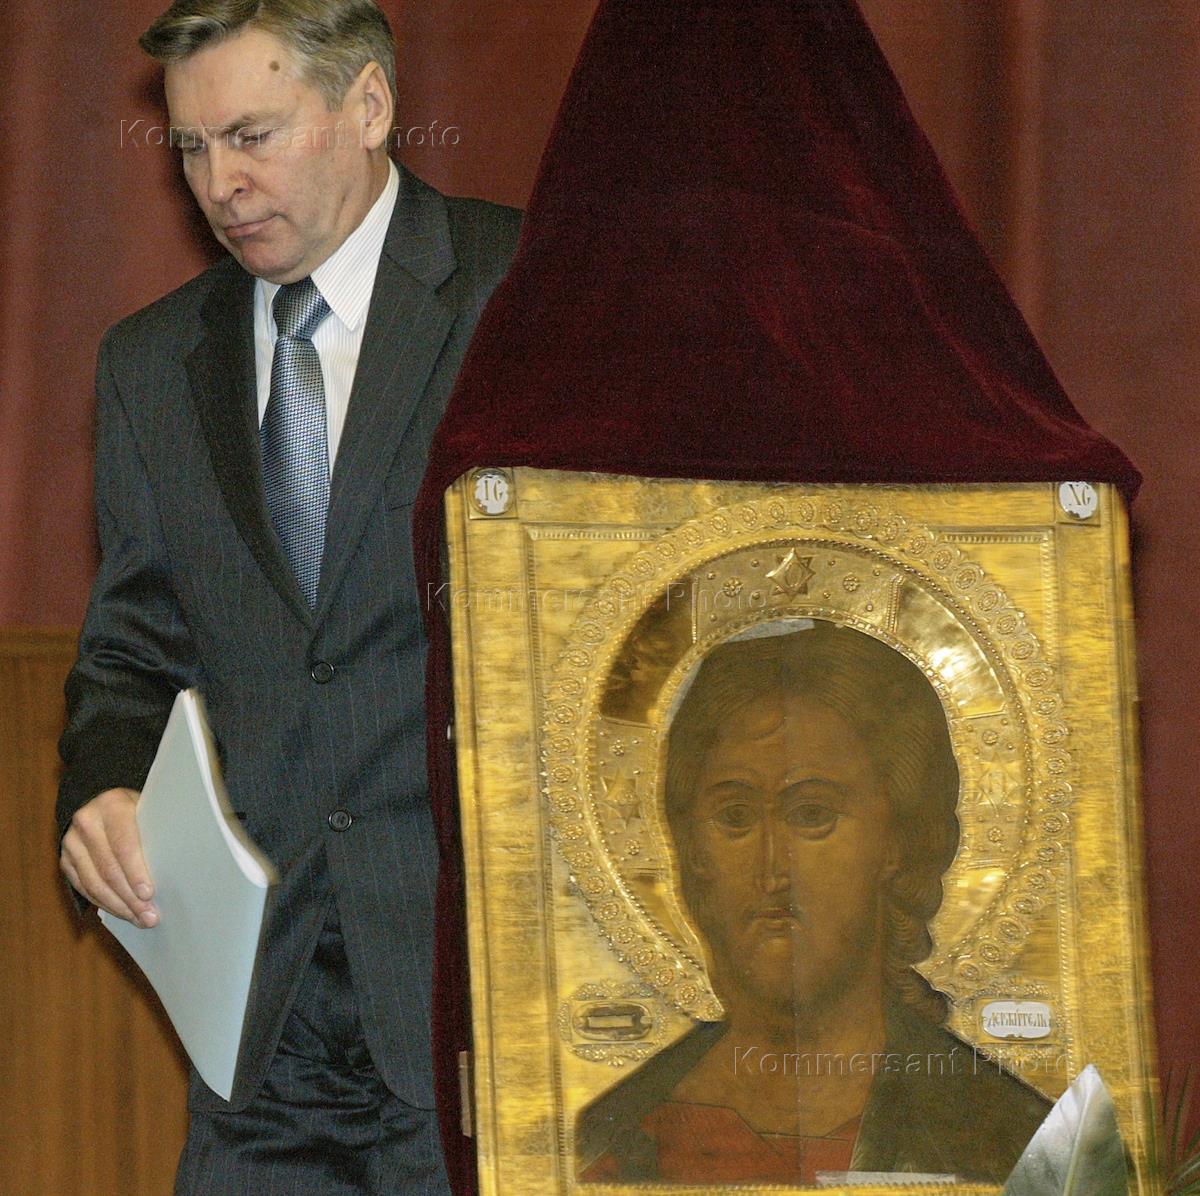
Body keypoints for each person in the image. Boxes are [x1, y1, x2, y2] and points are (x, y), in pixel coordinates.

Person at [55, 3, 520, 1193]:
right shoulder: (151, 361)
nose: (221, 184)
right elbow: (131, 652)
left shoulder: (521, 293)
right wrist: (105, 784)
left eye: (252, 136)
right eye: (192, 149)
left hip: (486, 1009)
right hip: (262, 1035)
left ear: (368, 107)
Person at [578, 621, 1051, 1184]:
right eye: (735, 817)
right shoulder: (612, 1134)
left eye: (811, 815)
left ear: (897, 839)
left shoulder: (1007, 1136)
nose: (773, 871)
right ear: (692, 847)